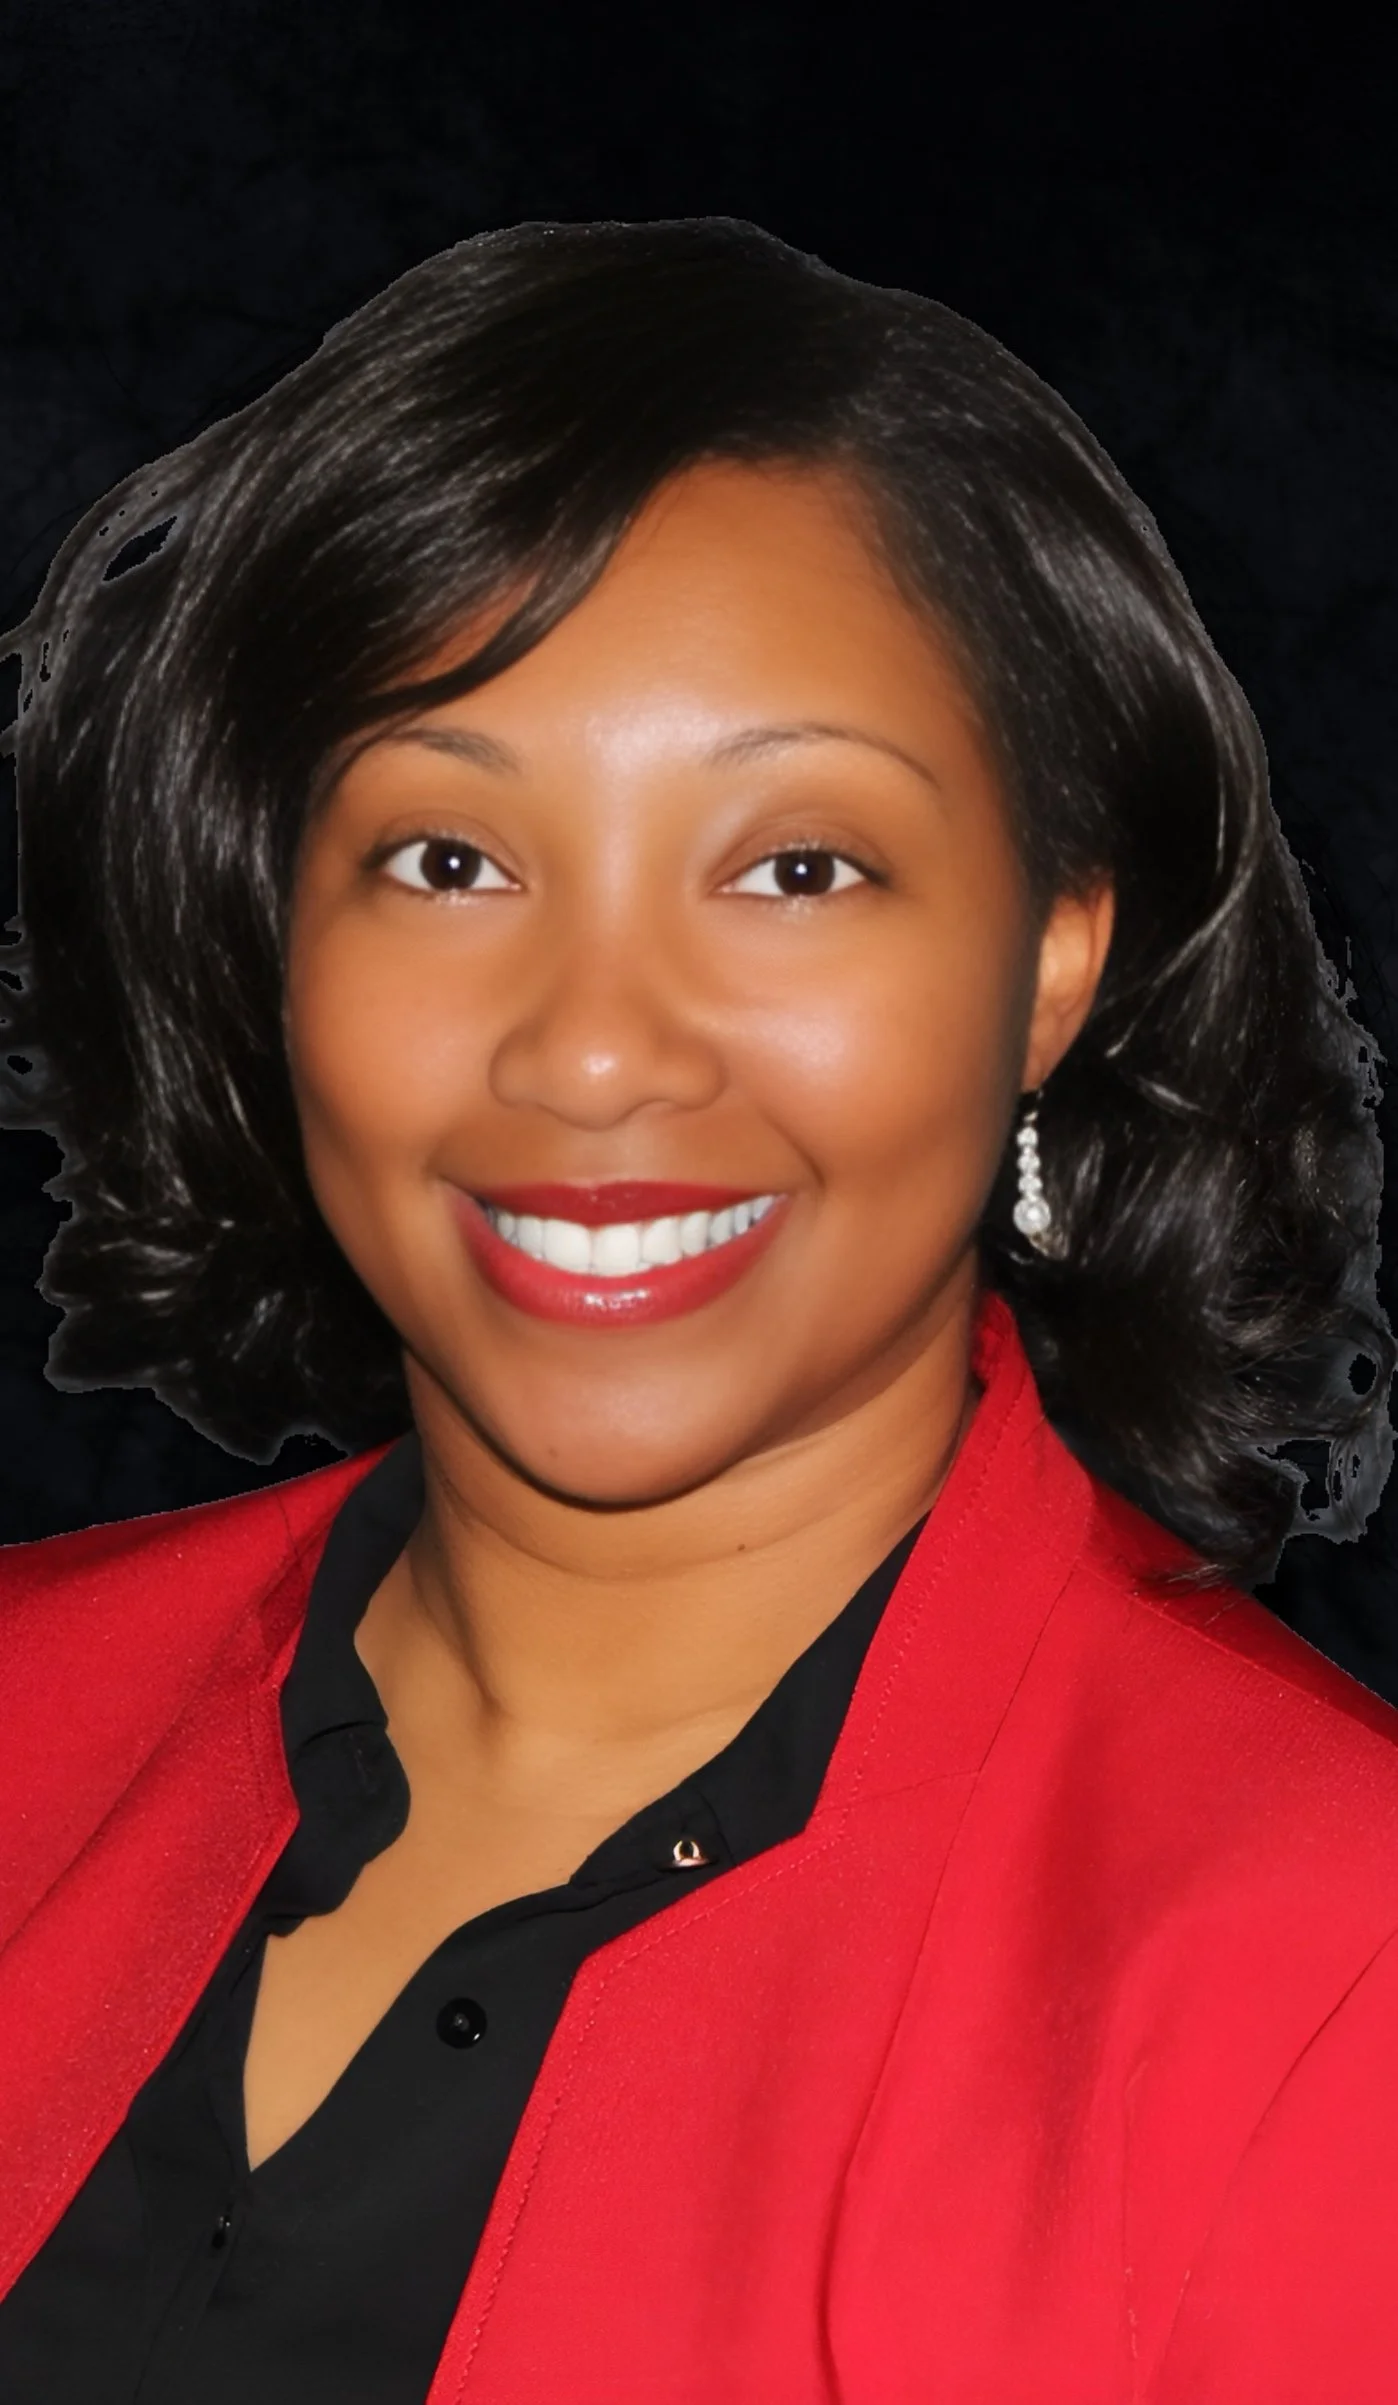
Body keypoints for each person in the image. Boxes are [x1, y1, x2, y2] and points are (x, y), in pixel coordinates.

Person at [0, 216, 1393, 2405]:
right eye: (448, 861)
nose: (592, 1051)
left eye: (795, 865)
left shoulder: (1333, 1974)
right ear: (270, 939)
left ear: (1051, 958)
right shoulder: (21, 1700)